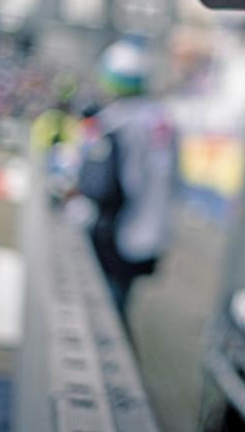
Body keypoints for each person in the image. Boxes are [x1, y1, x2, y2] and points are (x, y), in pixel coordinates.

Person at [77, 37, 179, 321]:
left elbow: (100, 187)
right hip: (152, 230)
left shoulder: (117, 122)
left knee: (107, 310)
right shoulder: (163, 118)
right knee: (120, 301)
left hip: (120, 230)